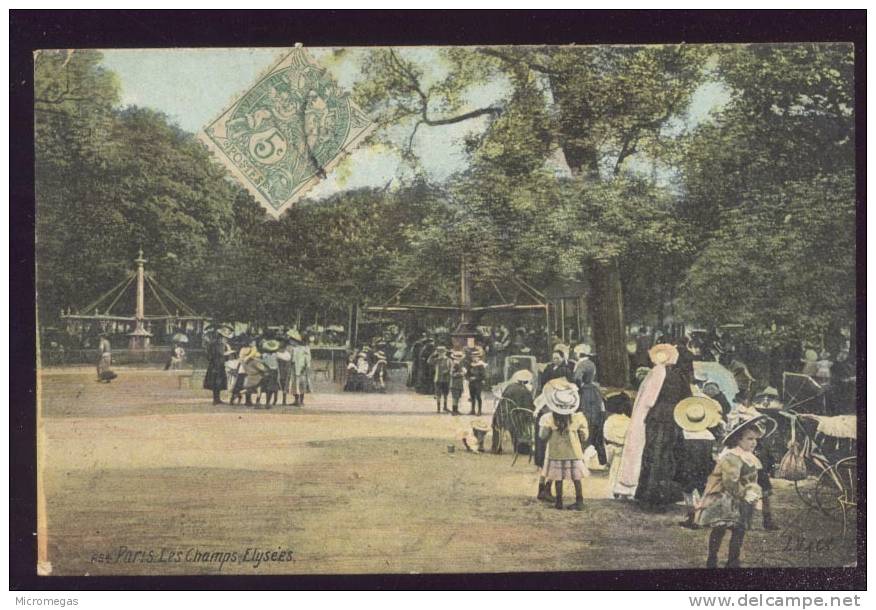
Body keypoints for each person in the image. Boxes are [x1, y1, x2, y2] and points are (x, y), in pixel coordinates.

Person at [695, 416, 768, 569]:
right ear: (738, 440)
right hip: (725, 498)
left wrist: (752, 491)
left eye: (756, 439)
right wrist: (744, 493)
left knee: (739, 530)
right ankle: (712, 559)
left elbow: (751, 478)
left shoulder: (749, 457)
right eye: (749, 439)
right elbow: (730, 481)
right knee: (719, 529)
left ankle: (733, 561)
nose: (754, 442)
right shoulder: (732, 457)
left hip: (741, 499)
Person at [614, 343, 683, 500]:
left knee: (642, 447)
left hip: (648, 413)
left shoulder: (658, 371)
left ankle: (635, 486)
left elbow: (649, 399)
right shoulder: (667, 373)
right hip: (654, 413)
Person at [635, 343, 692, 510]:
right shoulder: (680, 377)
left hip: (655, 416)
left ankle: (646, 495)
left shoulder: (656, 373)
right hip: (673, 417)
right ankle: (662, 497)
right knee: (667, 457)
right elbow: (687, 398)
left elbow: (648, 398)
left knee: (653, 454)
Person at [674, 396, 724, 529]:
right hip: (704, 468)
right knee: (704, 492)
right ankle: (704, 517)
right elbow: (713, 455)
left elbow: (678, 452)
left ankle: (691, 516)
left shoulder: (683, 434)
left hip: (687, 467)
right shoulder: (709, 435)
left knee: (688, 492)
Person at [538, 378, 588, 510]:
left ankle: (559, 501)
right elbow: (584, 435)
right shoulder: (577, 418)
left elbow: (542, 436)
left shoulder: (549, 418)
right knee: (576, 478)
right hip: (574, 452)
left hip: (556, 452)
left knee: (558, 478)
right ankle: (579, 500)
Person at [572, 344, 606, 466]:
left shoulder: (582, 364)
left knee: (586, 418)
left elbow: (577, 378)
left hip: (585, 393)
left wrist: (578, 386)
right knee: (593, 418)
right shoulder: (591, 363)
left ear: (579, 354)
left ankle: (584, 453)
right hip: (593, 391)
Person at [492, 369, 535, 454]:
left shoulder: (510, 386)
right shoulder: (525, 391)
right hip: (514, 418)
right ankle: (522, 447)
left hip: (500, 415)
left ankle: (496, 446)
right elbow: (528, 407)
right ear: (526, 381)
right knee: (527, 419)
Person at [603, 392, 633, 498]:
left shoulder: (610, 420)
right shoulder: (630, 421)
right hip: (626, 449)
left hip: (612, 447)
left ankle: (614, 491)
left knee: (614, 470)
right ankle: (624, 491)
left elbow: (607, 435)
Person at [203, 326, 232, 403]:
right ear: (221, 337)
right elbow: (221, 353)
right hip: (218, 364)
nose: (226, 339)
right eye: (225, 338)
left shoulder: (213, 343)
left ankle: (216, 399)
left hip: (213, 364)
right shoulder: (219, 344)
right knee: (217, 382)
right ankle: (216, 399)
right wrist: (229, 352)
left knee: (215, 382)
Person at [289, 330, 312, 406]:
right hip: (301, 368)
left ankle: (298, 400)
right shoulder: (305, 348)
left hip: (298, 368)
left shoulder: (297, 349)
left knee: (298, 384)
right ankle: (299, 400)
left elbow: (293, 359)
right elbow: (308, 360)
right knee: (301, 384)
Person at [428, 346, 452, 413]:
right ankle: (438, 408)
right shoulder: (436, 360)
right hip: (438, 379)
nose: (441, 354)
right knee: (438, 394)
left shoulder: (448, 360)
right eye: (439, 352)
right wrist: (433, 354)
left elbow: (451, 368)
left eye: (443, 352)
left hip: (446, 379)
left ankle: (445, 407)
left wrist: (448, 371)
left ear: (445, 352)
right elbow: (429, 361)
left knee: (445, 394)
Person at [259, 339, 281, 407]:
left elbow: (262, 362)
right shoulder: (275, 355)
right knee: (271, 388)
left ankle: (266, 402)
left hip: (267, 371)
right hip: (273, 371)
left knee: (267, 387)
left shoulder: (264, 355)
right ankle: (268, 402)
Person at [466, 348, 487, 415]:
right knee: (472, 396)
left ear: (479, 358)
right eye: (473, 357)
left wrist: (476, 378)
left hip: (478, 383)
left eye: (476, 357)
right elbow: (467, 374)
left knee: (478, 396)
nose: (474, 358)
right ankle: (472, 410)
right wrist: (469, 378)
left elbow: (483, 375)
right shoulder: (470, 365)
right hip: (471, 383)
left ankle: (479, 410)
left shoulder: (481, 365)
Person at [449, 350, 466, 415]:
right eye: (457, 357)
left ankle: (456, 410)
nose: (458, 358)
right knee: (455, 398)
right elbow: (452, 374)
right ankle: (454, 411)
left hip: (459, 383)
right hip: (455, 384)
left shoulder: (460, 364)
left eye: (459, 357)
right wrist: (461, 373)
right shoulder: (454, 364)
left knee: (457, 398)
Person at [276, 340, 293, 405]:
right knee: (285, 386)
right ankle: (284, 400)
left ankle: (276, 400)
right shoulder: (287, 354)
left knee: (279, 386)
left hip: (279, 371)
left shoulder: (277, 354)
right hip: (286, 371)